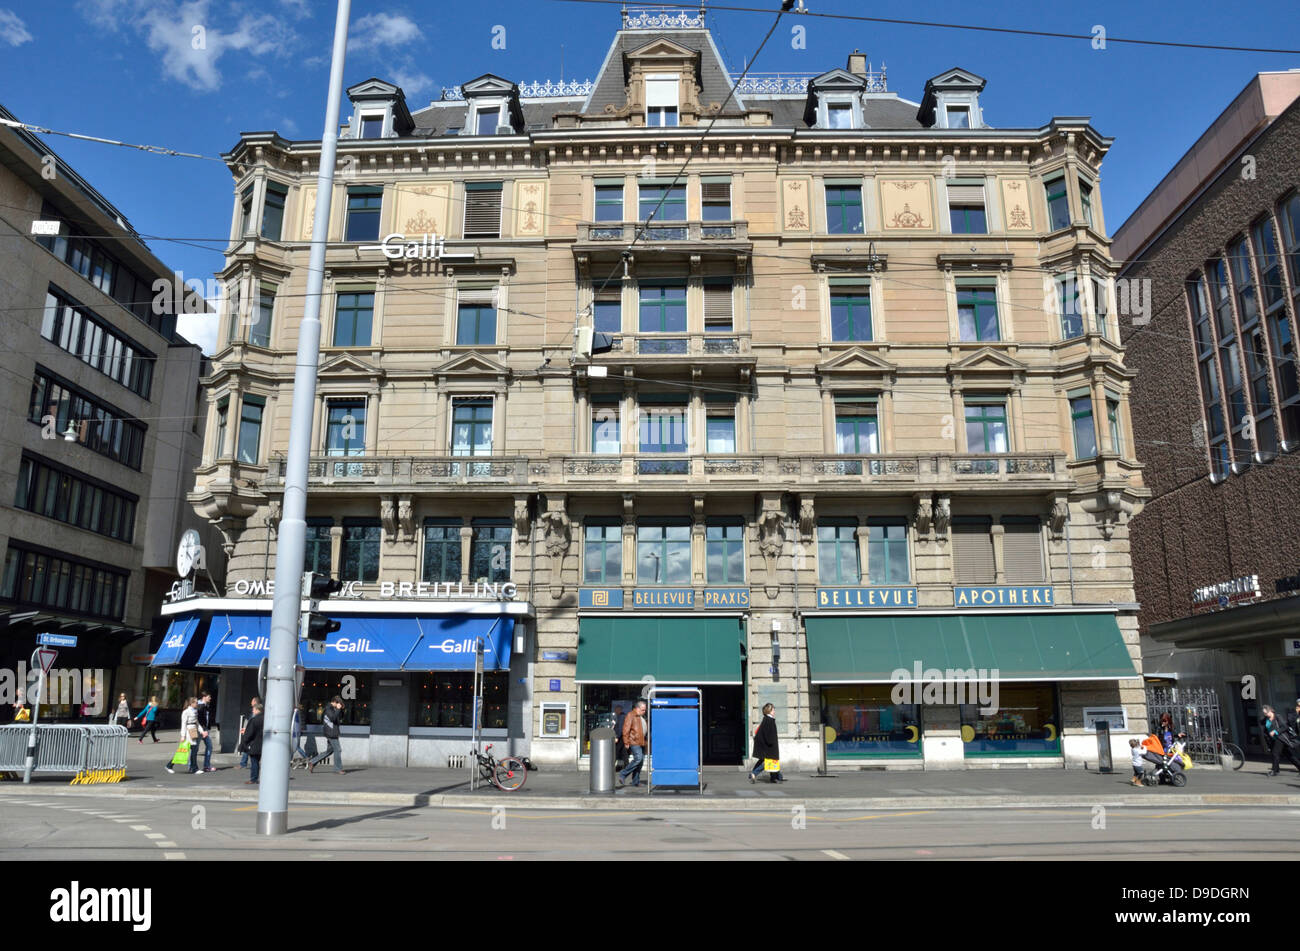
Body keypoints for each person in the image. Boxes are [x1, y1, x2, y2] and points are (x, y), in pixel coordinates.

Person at [308, 696, 345, 774]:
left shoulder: (334, 709)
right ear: (334, 702)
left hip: (333, 732)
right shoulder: (328, 708)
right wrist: (338, 709)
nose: (339, 705)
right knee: (338, 750)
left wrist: (341, 710)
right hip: (331, 733)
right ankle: (338, 769)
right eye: (339, 703)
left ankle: (312, 762)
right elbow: (333, 718)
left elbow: (340, 718)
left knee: (329, 751)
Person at [749, 702, 784, 784]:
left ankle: (776, 777)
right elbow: (768, 734)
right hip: (769, 746)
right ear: (769, 710)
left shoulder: (766, 719)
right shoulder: (769, 720)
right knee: (769, 762)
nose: (774, 711)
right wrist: (771, 743)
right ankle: (754, 773)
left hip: (767, 745)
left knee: (770, 761)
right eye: (773, 709)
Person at [1260, 705, 1300, 777]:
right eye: (1264, 713)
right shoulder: (1265, 719)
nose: (1265, 714)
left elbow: (1285, 727)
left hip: (1280, 738)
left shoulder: (1277, 717)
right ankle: (1277, 769)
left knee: (1275, 753)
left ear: (1270, 711)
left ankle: (1274, 771)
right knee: (1289, 755)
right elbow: (1265, 730)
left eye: (1266, 713)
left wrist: (1275, 731)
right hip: (1273, 740)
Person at [165, 697, 200, 775]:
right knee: (188, 750)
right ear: (191, 703)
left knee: (191, 750)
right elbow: (183, 724)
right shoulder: (186, 712)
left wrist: (202, 731)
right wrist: (182, 736)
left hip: (193, 731)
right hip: (188, 732)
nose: (197, 704)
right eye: (196, 702)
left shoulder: (195, 711)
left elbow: (197, 723)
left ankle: (170, 765)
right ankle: (194, 768)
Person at [618, 699, 648, 787]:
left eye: (645, 710)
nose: (644, 711)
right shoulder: (631, 715)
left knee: (640, 761)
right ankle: (623, 774)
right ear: (637, 708)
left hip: (642, 742)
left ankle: (636, 781)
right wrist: (626, 741)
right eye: (643, 710)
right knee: (638, 758)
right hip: (634, 741)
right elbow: (626, 729)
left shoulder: (641, 716)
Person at [240, 703, 265, 784]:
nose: (253, 711)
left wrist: (245, 741)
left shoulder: (254, 720)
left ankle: (254, 779)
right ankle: (257, 778)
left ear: (257, 710)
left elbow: (249, 733)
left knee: (254, 762)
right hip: (263, 743)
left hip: (254, 744)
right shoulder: (266, 719)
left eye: (253, 709)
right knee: (258, 761)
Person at [195, 691, 215, 772]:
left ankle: (206, 766)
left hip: (205, 729)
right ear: (204, 697)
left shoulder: (206, 705)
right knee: (195, 748)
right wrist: (203, 729)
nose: (210, 698)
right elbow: (198, 719)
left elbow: (207, 717)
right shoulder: (199, 705)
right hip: (200, 729)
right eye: (209, 697)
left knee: (209, 746)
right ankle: (192, 766)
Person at [239, 696, 260, 768]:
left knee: (249, 747)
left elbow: (253, 722)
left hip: (254, 733)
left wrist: (247, 730)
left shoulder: (257, 711)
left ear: (255, 702)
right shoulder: (252, 710)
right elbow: (249, 721)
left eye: (252, 701)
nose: (251, 702)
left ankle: (245, 764)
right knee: (246, 747)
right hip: (250, 731)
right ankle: (243, 763)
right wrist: (245, 728)